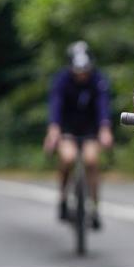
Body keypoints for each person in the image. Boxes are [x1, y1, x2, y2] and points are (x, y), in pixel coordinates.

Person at [43, 41, 112, 229]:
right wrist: (54, 130)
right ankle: (63, 197)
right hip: (67, 129)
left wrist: (105, 129)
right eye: (78, 71)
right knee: (68, 158)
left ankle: (95, 207)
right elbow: (55, 105)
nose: (81, 75)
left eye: (85, 71)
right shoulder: (62, 80)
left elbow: (102, 106)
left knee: (91, 161)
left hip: (90, 130)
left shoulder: (98, 80)